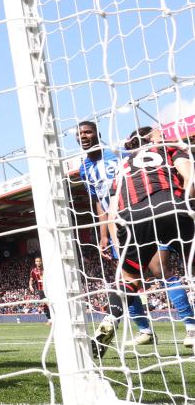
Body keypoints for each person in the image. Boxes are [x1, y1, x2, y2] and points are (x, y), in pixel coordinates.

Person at [93, 126, 195, 358]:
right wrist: (185, 206)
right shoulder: (171, 147)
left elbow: (111, 211)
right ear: (150, 138)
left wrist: (119, 248)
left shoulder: (124, 164)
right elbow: (191, 179)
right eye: (159, 132)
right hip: (171, 204)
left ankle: (111, 318)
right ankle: (190, 329)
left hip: (131, 218)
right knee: (169, 270)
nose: (164, 134)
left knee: (130, 278)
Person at [77, 121, 157, 345]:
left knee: (159, 269)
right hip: (115, 227)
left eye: (88, 132)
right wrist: (103, 235)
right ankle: (144, 330)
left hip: (137, 216)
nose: (83, 136)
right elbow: (99, 202)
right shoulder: (84, 169)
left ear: (97, 134)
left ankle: (187, 326)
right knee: (127, 277)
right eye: (80, 134)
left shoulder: (116, 154)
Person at [27, 257, 51, 324]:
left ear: (42, 262)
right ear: (35, 262)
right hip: (41, 290)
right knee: (45, 305)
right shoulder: (33, 270)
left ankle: (54, 318)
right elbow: (31, 279)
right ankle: (50, 320)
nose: (38, 262)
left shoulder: (46, 268)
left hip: (49, 289)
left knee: (50, 303)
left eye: (39, 261)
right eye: (37, 261)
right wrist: (30, 285)